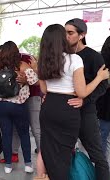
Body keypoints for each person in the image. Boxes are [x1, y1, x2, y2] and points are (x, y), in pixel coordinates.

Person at [37, 24, 109, 180]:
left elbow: (43, 89)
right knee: (64, 155)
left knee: (47, 151)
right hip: (67, 107)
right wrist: (99, 77)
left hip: (48, 106)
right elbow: (81, 92)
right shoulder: (74, 59)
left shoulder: (42, 61)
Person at [65, 18, 110, 180]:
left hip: (86, 112)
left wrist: (85, 100)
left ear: (82, 34)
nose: (66, 36)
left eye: (70, 33)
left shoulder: (93, 56)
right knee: (62, 153)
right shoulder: (63, 55)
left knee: (97, 155)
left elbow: (104, 85)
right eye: (65, 32)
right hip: (65, 111)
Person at [0, 41, 37, 174]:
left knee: (6, 135)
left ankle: (8, 165)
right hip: (19, 105)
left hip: (1, 105)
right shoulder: (22, 66)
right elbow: (35, 81)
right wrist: (29, 76)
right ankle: (28, 164)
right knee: (24, 134)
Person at [97, 35, 110, 167]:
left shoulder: (102, 63)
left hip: (104, 104)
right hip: (105, 104)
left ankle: (102, 166)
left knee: (103, 136)